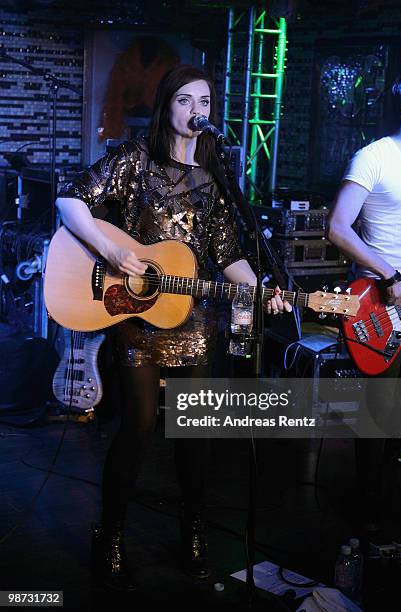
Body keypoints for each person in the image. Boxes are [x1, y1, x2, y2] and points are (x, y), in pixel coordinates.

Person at [55, 64, 291, 590]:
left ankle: (194, 533)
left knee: (198, 435)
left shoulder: (217, 180)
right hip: (136, 313)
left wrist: (259, 289)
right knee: (137, 427)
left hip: (196, 319)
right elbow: (69, 199)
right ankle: (110, 532)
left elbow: (227, 254)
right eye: (184, 101)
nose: (195, 112)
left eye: (204, 102)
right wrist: (115, 249)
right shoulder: (135, 162)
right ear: (167, 106)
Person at [327, 67, 401, 531]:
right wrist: (389, 273)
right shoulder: (374, 157)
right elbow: (338, 227)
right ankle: (367, 516)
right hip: (383, 306)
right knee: (378, 418)